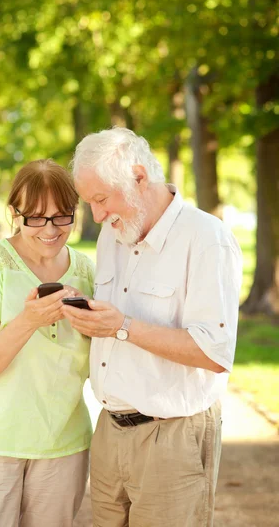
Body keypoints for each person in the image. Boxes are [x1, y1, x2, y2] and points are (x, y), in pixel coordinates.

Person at [62, 127, 242, 527]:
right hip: (109, 432)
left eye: (101, 199)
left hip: (172, 438)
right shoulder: (114, 235)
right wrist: (89, 313)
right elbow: (114, 322)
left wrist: (122, 327)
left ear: (139, 177)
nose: (96, 216)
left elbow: (214, 353)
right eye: (89, 202)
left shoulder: (207, 238)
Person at [0, 159, 95, 527]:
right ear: (15, 213)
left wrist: (90, 320)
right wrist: (29, 320)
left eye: (62, 216)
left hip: (64, 445)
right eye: (35, 217)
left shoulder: (88, 271)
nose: (50, 229)